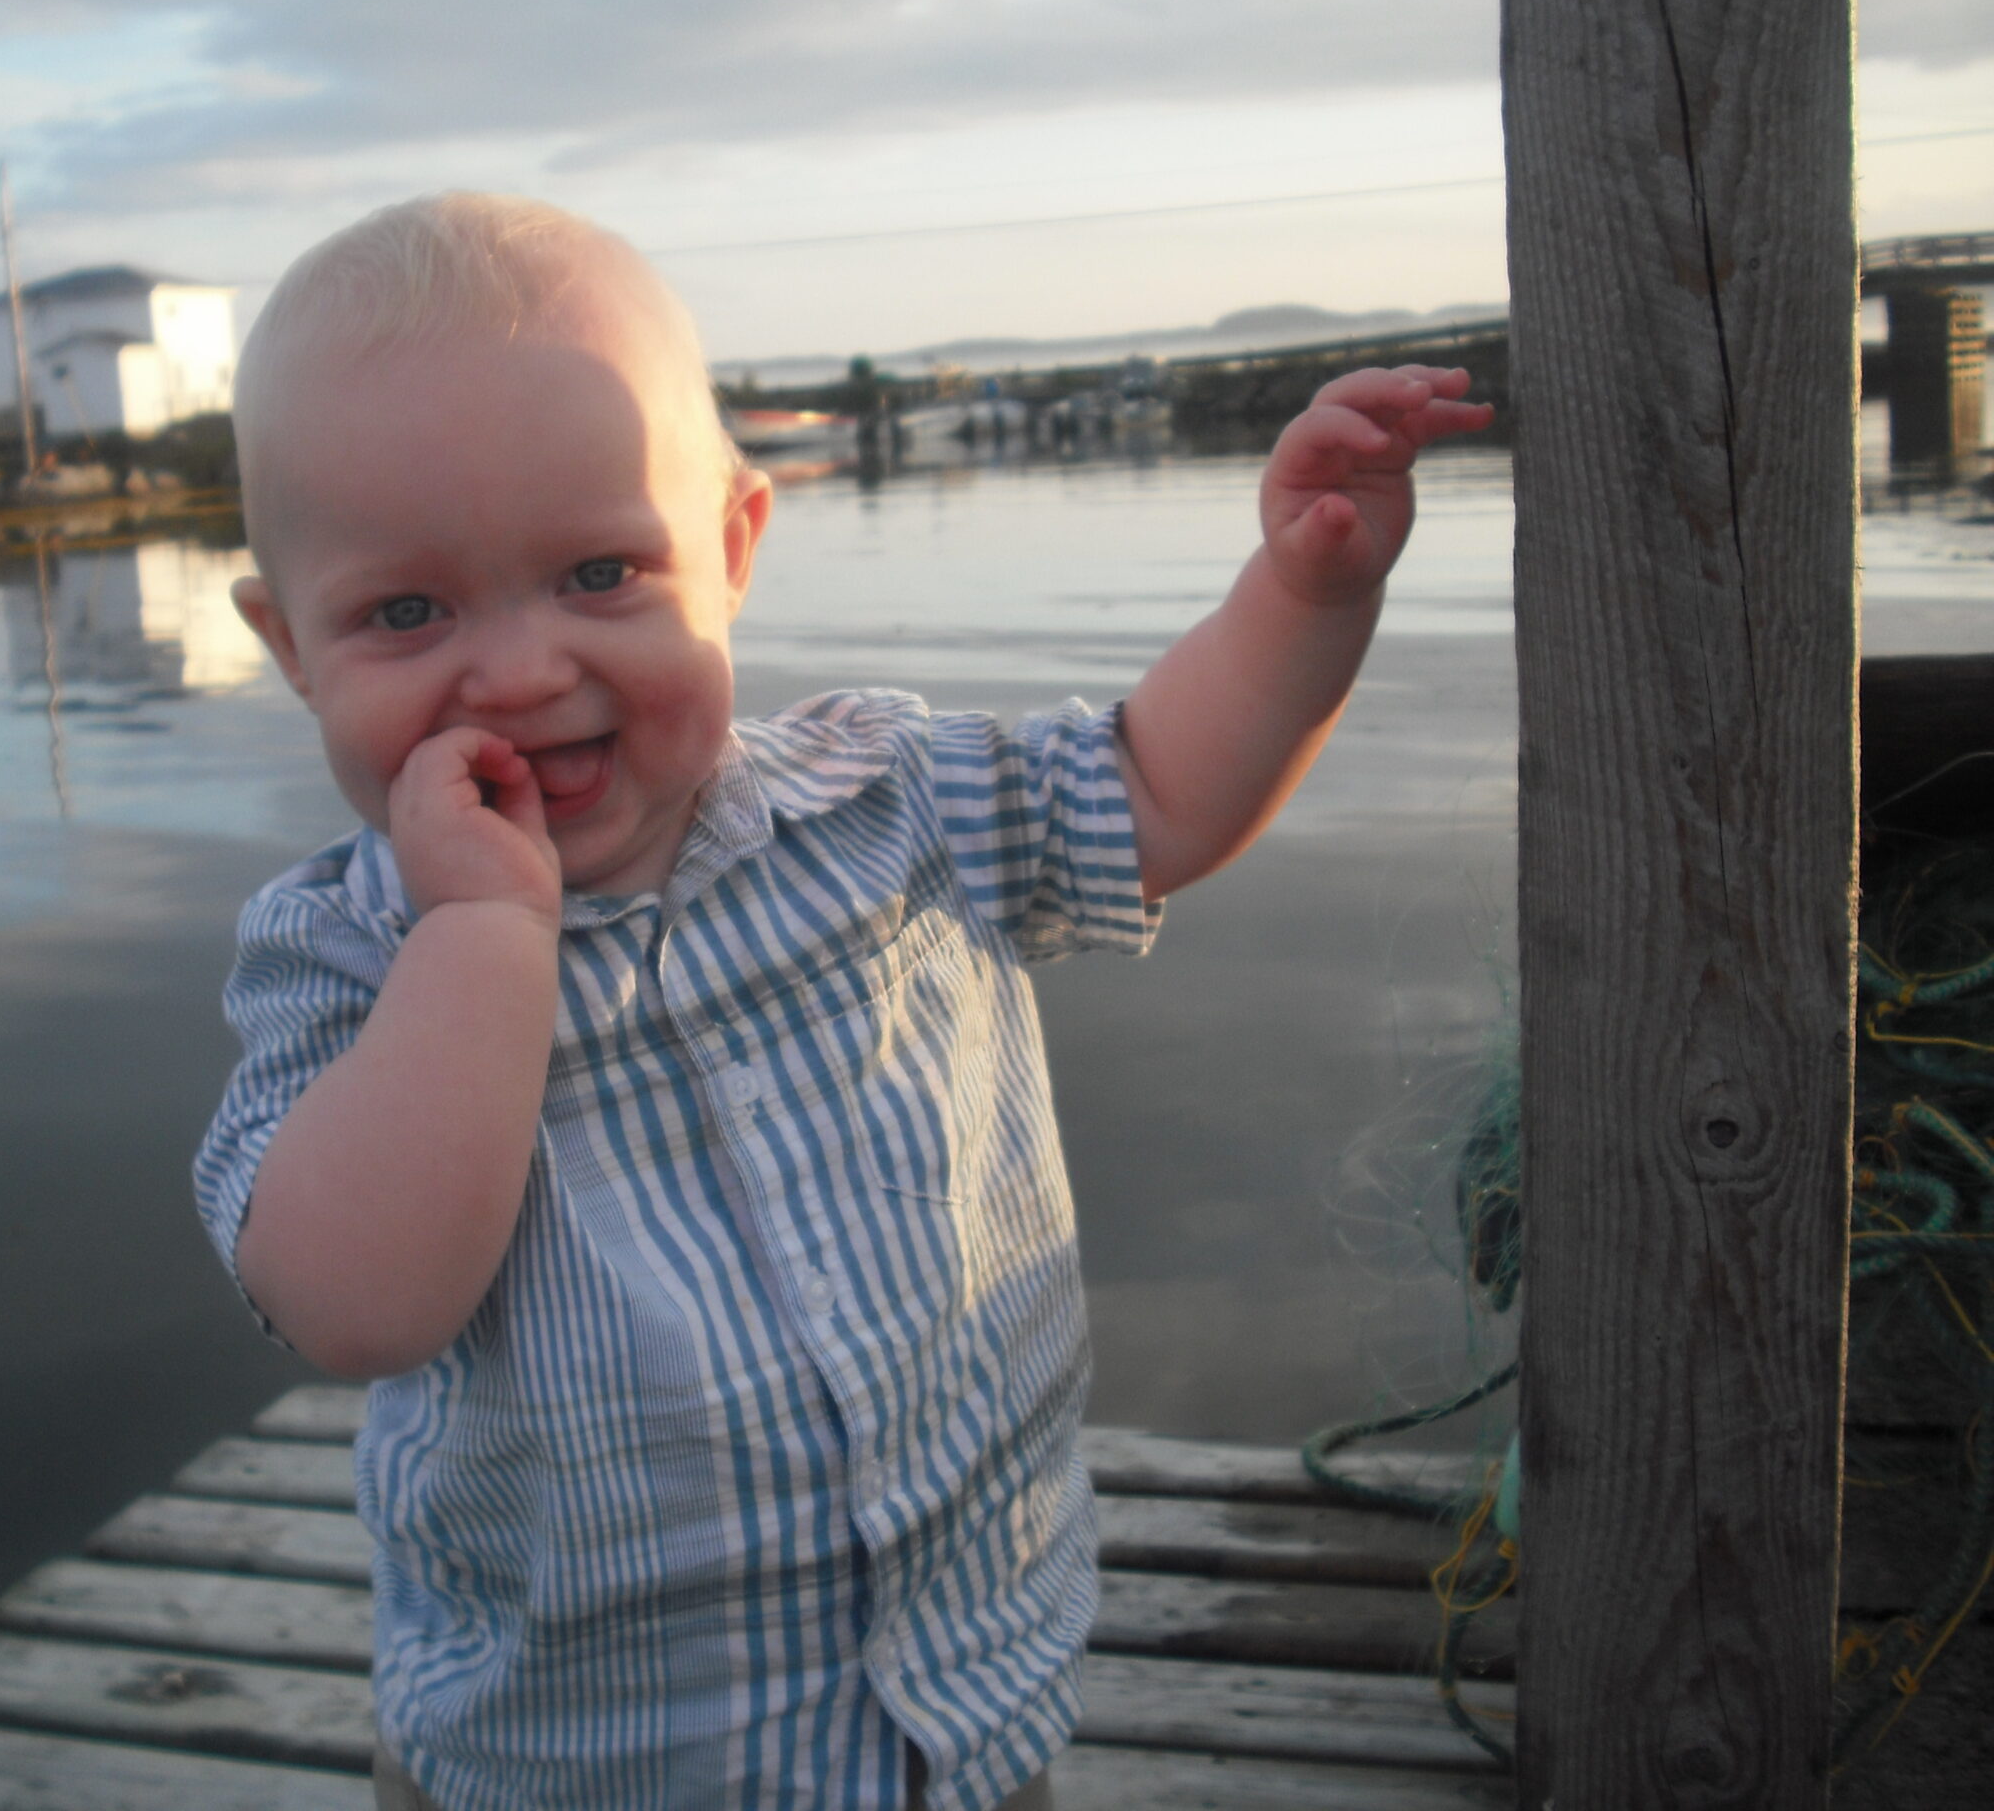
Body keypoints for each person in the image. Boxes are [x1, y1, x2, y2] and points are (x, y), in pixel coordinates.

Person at [194, 192, 1492, 1811]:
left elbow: (1159, 789)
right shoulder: (341, 962)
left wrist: (1305, 599)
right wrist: (479, 928)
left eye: (601, 572)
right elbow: (357, 1301)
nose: (522, 672)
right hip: (583, 1765)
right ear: (290, 648)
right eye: (406, 613)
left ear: (730, 552)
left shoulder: (890, 799)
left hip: (956, 1711)